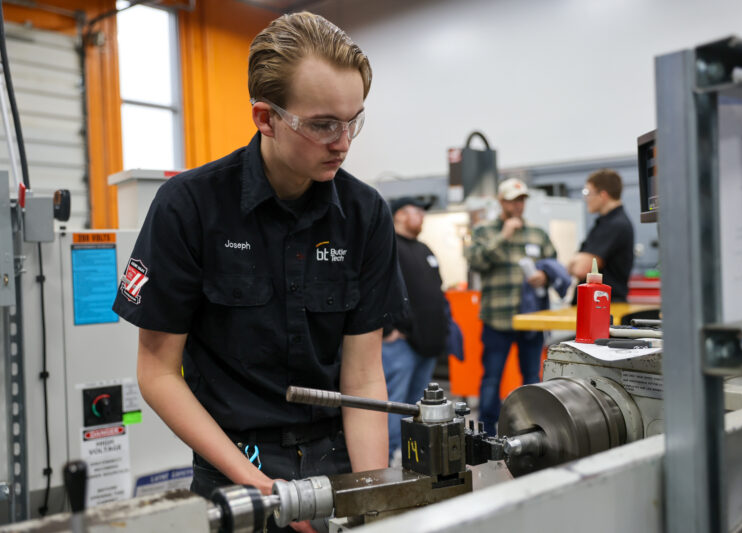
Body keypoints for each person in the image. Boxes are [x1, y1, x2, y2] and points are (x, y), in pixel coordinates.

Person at [112, 12, 407, 533]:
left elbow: (363, 376)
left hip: (334, 466)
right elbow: (157, 373)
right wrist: (262, 488)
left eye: (353, 120)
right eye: (322, 125)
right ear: (265, 118)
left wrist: (372, 498)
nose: (343, 142)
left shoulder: (365, 215)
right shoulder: (190, 208)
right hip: (234, 470)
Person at [465, 178, 557, 436]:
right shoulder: (484, 231)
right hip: (497, 319)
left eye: (522, 200)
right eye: (513, 200)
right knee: (492, 378)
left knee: (531, 376)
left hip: (531, 320)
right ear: (501, 201)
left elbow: (553, 263)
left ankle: (534, 428)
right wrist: (503, 236)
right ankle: (484, 432)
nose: (518, 205)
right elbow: (476, 261)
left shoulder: (537, 233)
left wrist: (545, 277)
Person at [383, 197, 449, 462]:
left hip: (427, 343)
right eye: (416, 210)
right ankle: (384, 461)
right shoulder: (389, 246)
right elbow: (377, 288)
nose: (422, 215)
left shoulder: (423, 248)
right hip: (401, 344)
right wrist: (388, 329)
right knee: (392, 405)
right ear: (399, 215)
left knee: (416, 409)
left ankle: (410, 458)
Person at [568, 169, 634, 302]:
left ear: (603, 195)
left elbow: (581, 269)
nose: (586, 199)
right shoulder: (606, 223)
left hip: (603, 306)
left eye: (588, 193)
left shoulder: (614, 225)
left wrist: (574, 260)